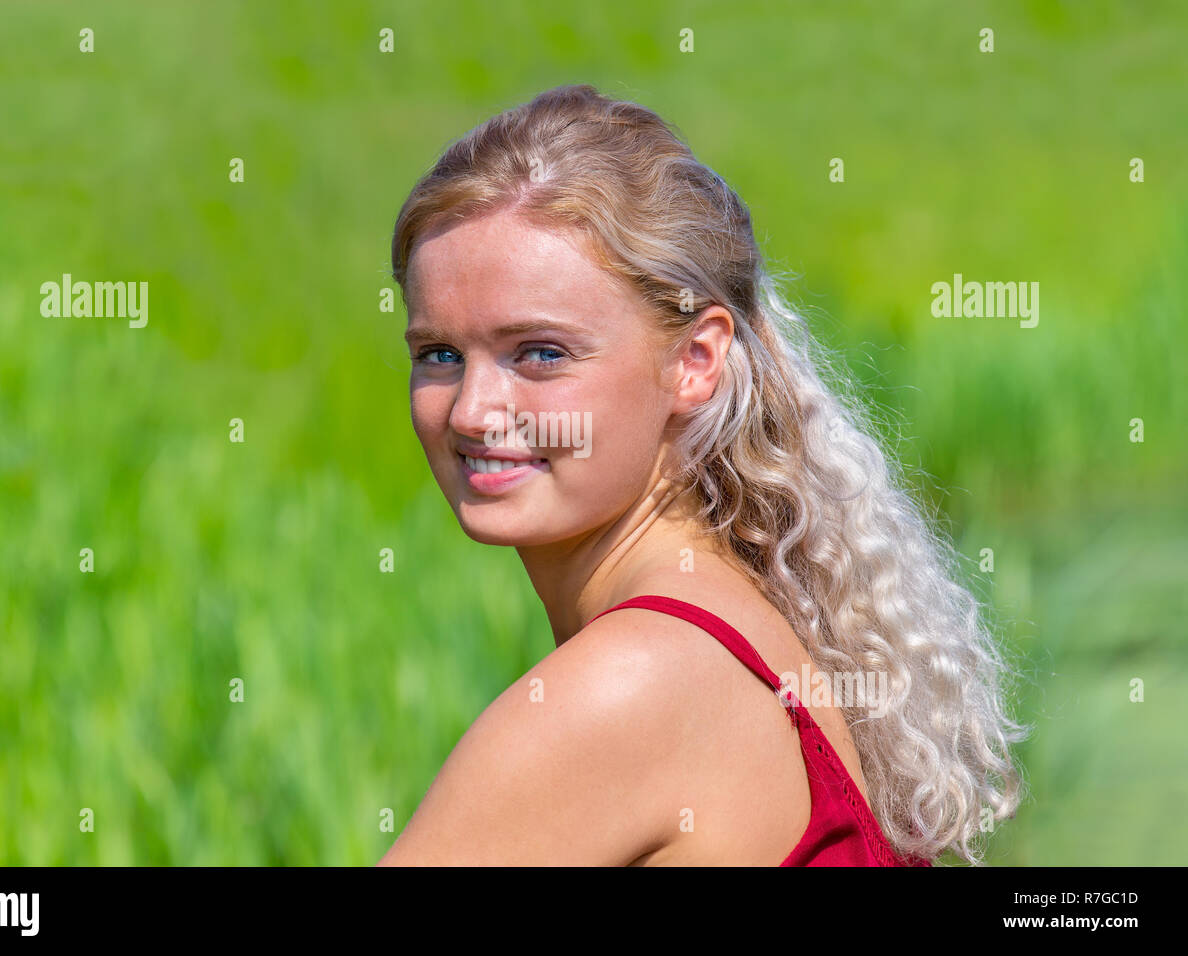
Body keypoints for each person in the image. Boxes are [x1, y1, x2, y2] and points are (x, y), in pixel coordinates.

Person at [379, 84, 1027, 865]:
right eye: (438, 355)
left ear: (695, 360)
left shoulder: (632, 684)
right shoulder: (748, 618)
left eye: (540, 353)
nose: (473, 411)